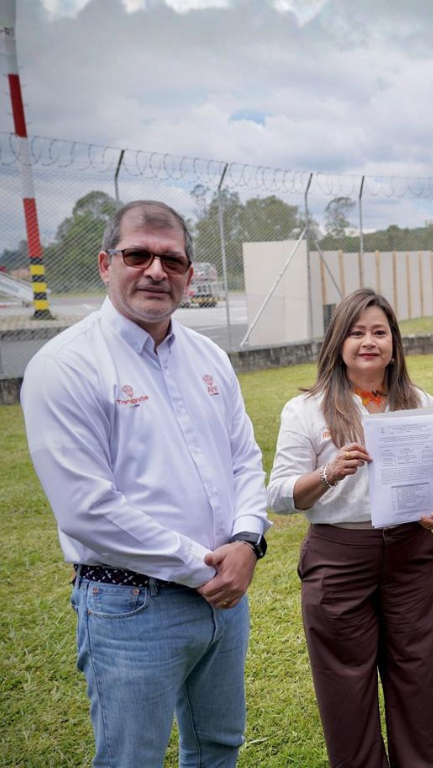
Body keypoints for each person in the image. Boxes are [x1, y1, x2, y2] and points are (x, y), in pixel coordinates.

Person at [21, 200, 270, 768]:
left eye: (173, 260)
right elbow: (86, 510)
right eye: (138, 255)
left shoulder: (208, 357)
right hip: (131, 604)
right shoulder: (66, 366)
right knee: (132, 757)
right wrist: (208, 565)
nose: (156, 271)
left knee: (218, 747)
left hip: (225, 599)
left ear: (188, 273)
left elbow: (244, 459)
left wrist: (249, 539)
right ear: (106, 263)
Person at [267, 288, 433, 768]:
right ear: (338, 342)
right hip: (339, 556)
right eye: (356, 332)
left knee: (420, 676)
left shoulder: (418, 401)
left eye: (379, 331)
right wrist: (330, 471)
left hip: (409, 554)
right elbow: (279, 496)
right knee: (345, 685)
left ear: (394, 342)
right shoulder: (307, 409)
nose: (368, 342)